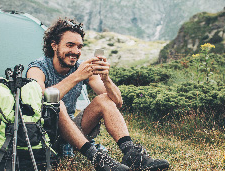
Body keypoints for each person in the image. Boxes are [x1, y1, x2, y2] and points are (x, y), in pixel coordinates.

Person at [26, 18, 170, 171]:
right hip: (44, 134)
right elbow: (39, 100)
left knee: (104, 99)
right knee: (56, 103)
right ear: (54, 45)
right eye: (70, 45)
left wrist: (106, 78)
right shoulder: (37, 68)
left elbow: (116, 102)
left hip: (70, 132)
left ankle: (132, 155)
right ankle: (97, 158)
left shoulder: (81, 68)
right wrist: (76, 77)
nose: (76, 51)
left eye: (79, 46)